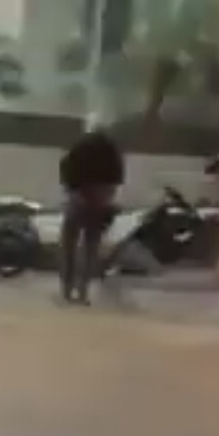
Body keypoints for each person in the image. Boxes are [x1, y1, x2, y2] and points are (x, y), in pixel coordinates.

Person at [58, 128, 125, 305]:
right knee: (91, 246)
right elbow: (117, 178)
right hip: (100, 197)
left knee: (69, 244)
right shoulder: (111, 151)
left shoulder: (80, 147)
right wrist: (108, 197)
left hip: (78, 195)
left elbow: (65, 167)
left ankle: (67, 288)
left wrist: (71, 190)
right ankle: (83, 290)